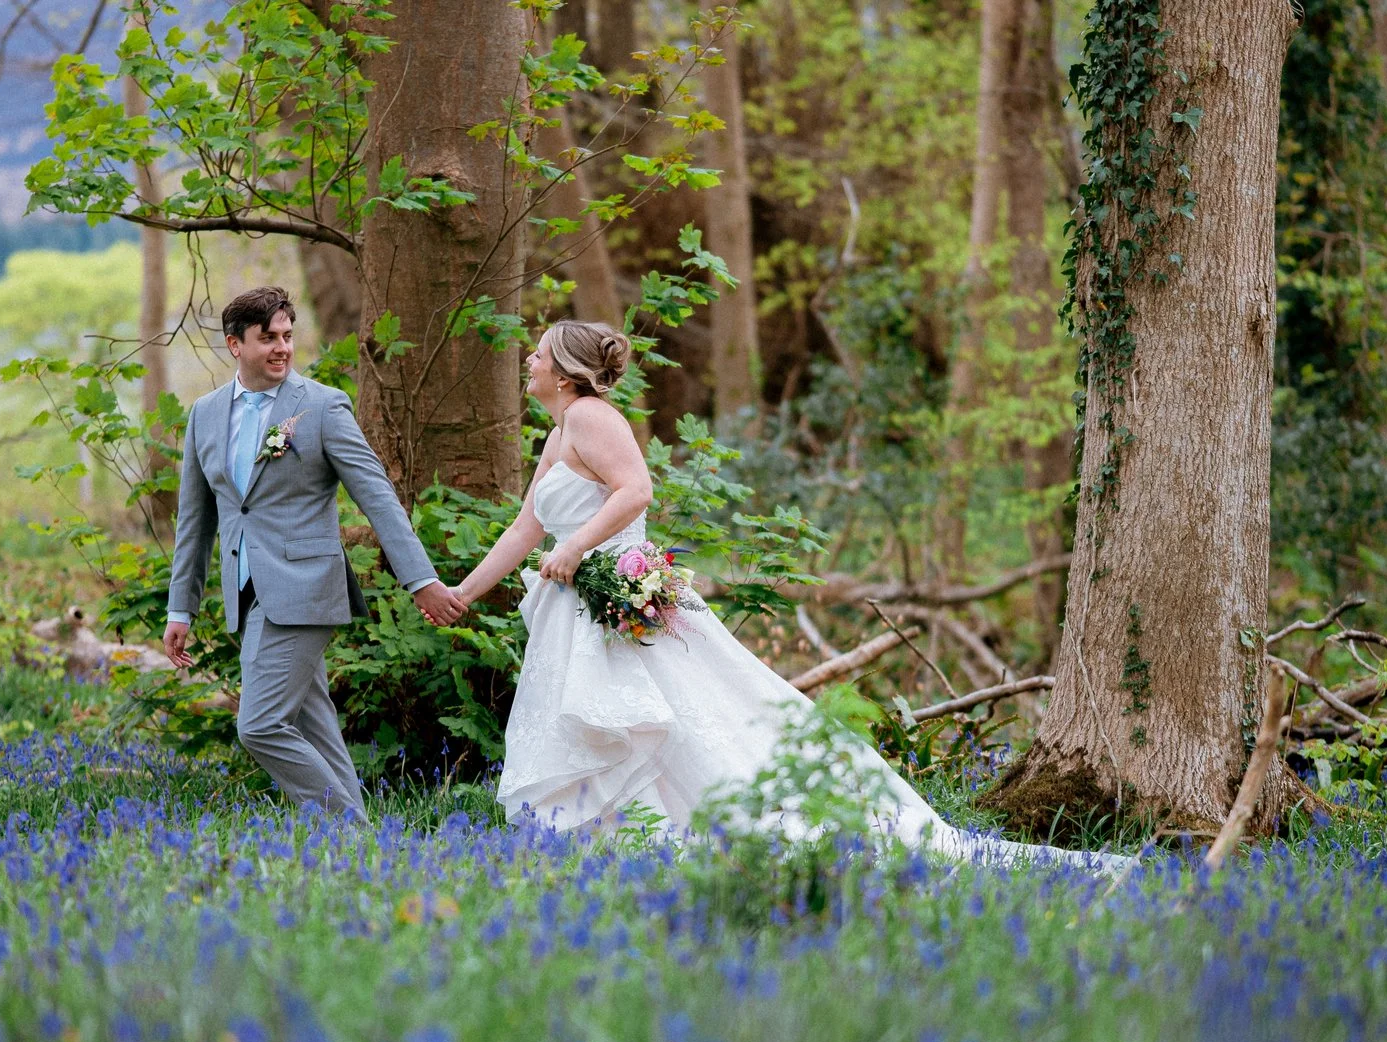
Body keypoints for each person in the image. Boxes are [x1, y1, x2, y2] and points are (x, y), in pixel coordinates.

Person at [444, 321, 1133, 872]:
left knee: (670, 716)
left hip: (612, 596)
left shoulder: (594, 417)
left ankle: (704, 830)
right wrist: (463, 592)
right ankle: (614, 843)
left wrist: (573, 548)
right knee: (617, 720)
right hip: (575, 609)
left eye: (535, 356)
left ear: (565, 373)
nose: (526, 363)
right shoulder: (559, 431)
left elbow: (637, 492)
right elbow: (526, 524)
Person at [163, 286, 468, 817]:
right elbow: (196, 521)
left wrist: (421, 580)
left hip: (306, 585)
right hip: (246, 591)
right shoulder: (204, 415)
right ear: (235, 345)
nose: (282, 348)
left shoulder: (323, 406)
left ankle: (345, 827)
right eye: (268, 339)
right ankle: (363, 848)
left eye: (287, 336)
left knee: (258, 726)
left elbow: (377, 496)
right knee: (312, 722)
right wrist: (179, 608)